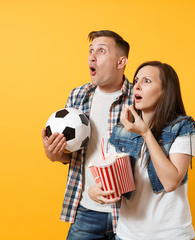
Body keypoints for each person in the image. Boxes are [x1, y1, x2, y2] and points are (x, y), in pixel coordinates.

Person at [41, 30, 133, 239]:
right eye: (91, 51)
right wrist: (55, 154)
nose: (92, 56)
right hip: (87, 212)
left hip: (132, 213)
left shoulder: (138, 100)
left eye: (101, 51)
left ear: (121, 62)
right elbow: (70, 154)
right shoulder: (78, 96)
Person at [106, 61, 195, 239]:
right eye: (136, 80)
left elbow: (171, 182)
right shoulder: (121, 130)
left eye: (147, 81)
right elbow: (112, 180)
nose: (137, 86)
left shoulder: (183, 127)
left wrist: (145, 133)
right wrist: (95, 192)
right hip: (126, 235)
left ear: (165, 91)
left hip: (171, 235)